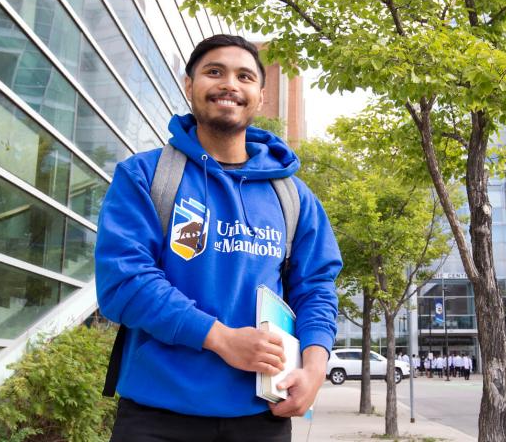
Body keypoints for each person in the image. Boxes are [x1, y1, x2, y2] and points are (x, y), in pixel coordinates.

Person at [97, 34, 343, 442]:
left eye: (244, 75)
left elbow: (316, 287)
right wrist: (222, 340)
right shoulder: (145, 176)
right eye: (214, 72)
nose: (230, 83)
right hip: (156, 416)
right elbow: (124, 283)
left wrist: (315, 365)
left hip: (261, 416)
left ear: (260, 97)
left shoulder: (293, 196)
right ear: (189, 85)